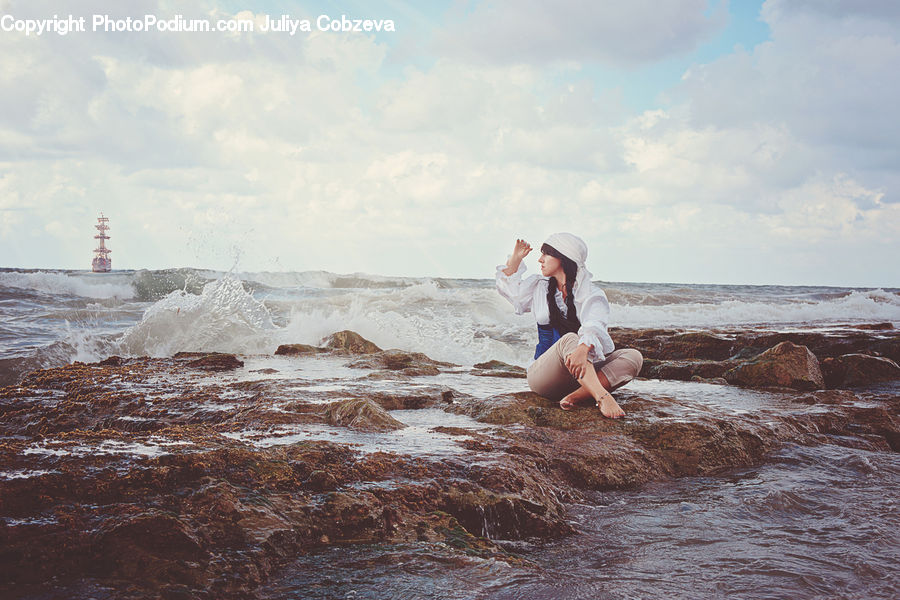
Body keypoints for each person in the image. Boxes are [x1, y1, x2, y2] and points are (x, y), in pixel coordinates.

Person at [496, 233, 643, 418]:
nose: (540, 260)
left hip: (581, 375)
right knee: (570, 339)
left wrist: (583, 349)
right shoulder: (539, 287)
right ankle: (602, 397)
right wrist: (516, 259)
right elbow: (512, 292)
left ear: (563, 258)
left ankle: (576, 396)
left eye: (546, 254)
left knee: (633, 357)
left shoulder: (591, 294)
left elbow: (594, 324)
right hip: (544, 376)